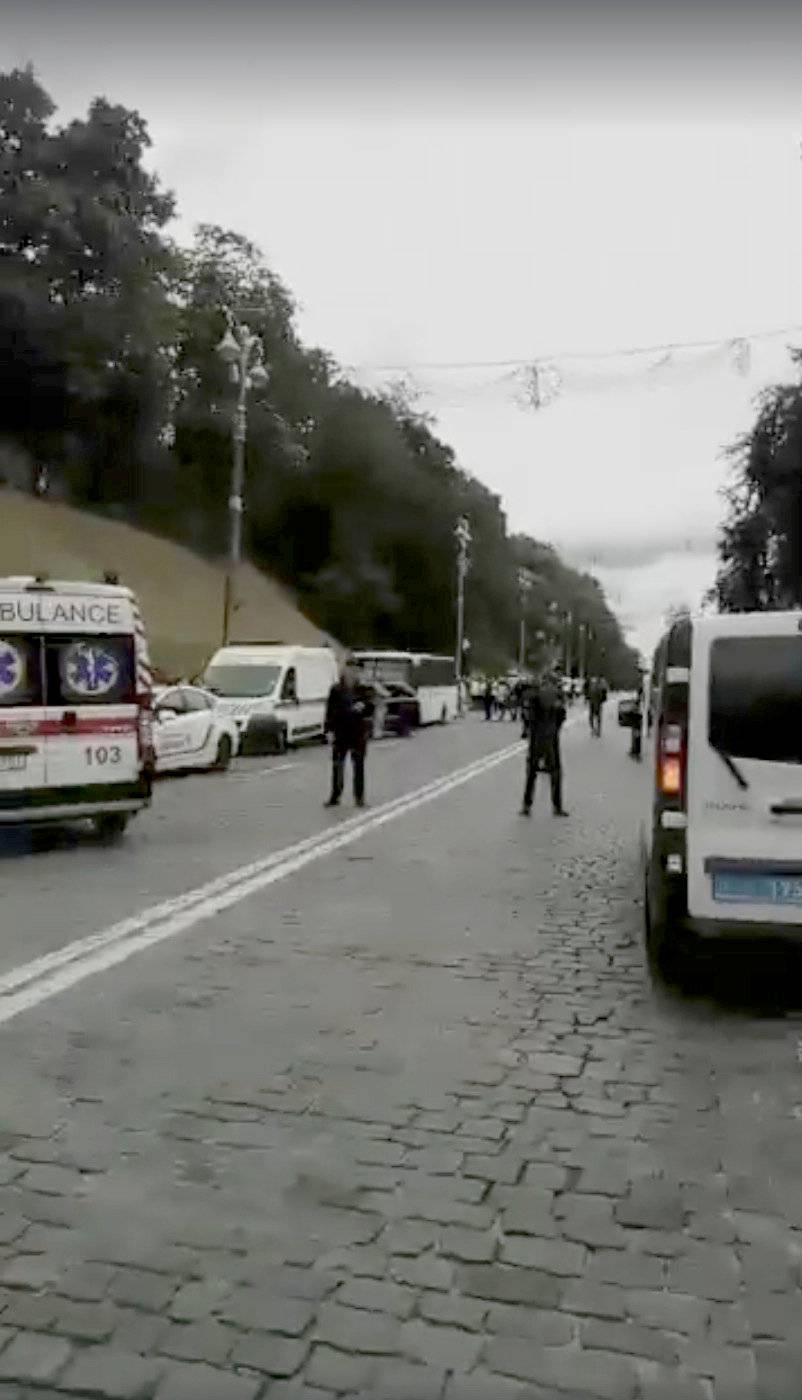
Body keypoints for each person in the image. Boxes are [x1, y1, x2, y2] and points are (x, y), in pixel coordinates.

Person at [324, 658, 375, 808]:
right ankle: (335, 796)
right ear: (345, 670)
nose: (352, 672)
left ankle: (359, 797)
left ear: (359, 671)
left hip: (358, 732)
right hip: (340, 732)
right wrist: (328, 730)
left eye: (356, 669)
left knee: (358, 766)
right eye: (350, 668)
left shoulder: (365, 689)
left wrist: (364, 706)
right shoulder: (336, 689)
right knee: (337, 766)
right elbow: (329, 711)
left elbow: (371, 707)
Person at [520, 669, 569, 818]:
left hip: (536, 736)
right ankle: (557, 806)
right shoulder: (558, 695)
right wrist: (555, 728)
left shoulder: (534, 695)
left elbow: (527, 716)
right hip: (551, 736)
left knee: (531, 772)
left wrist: (530, 730)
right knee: (555, 772)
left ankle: (526, 805)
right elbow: (562, 715)